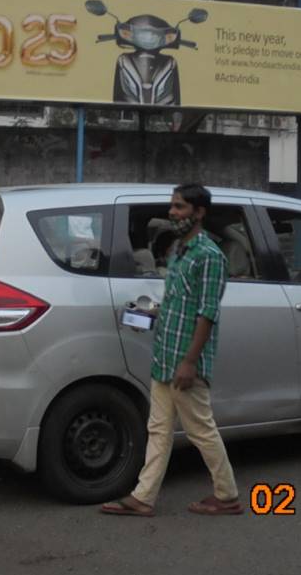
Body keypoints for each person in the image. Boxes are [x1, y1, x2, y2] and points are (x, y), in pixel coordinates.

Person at [100, 183, 242, 518]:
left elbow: (208, 312)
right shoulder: (181, 250)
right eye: (172, 207)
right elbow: (180, 302)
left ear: (199, 212)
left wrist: (190, 362)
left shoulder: (209, 256)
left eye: (179, 207)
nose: (172, 213)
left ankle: (227, 495)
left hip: (184, 361)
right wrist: (151, 315)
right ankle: (143, 497)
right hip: (165, 356)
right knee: (158, 429)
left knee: (200, 429)